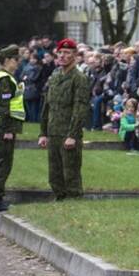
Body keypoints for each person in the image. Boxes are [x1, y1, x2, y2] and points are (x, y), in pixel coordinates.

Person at [37, 39, 90, 200]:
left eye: (67, 53)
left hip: (68, 132)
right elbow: (47, 105)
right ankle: (59, 199)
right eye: (60, 53)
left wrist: (72, 135)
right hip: (53, 131)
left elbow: (79, 108)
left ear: (74, 56)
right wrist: (43, 132)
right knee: (55, 173)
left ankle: (74, 201)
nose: (62, 56)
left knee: (70, 173)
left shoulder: (79, 78)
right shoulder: (55, 76)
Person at [0, 45, 24, 212]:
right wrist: (8, 130)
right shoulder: (5, 79)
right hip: (4, 128)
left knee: (2, 162)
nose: (17, 63)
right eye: (16, 60)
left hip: (2, 127)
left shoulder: (4, 77)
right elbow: (4, 107)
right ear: (8, 60)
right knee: (3, 163)